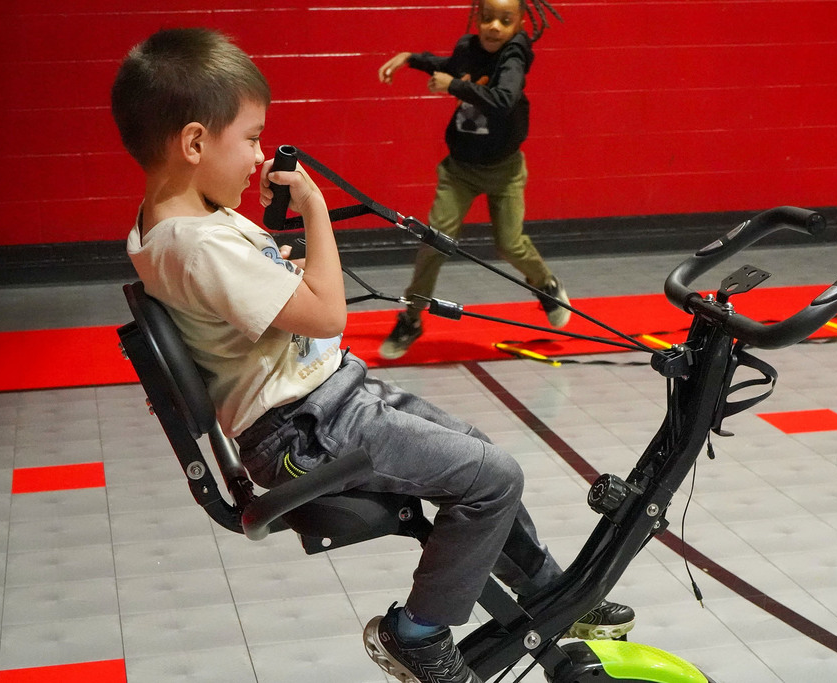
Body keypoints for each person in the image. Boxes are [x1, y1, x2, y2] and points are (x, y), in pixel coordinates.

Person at [111, 27, 633, 683]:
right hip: (306, 427)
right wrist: (315, 211)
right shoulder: (197, 241)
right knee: (495, 475)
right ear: (193, 142)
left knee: (476, 454)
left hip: (329, 400)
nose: (259, 154)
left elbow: (243, 291)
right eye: (249, 137)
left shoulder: (168, 225)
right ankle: (417, 632)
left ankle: (551, 594)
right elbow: (327, 311)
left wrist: (284, 263)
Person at [377, 0, 570, 361]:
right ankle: (411, 318)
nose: (494, 26)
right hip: (459, 171)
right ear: (476, 18)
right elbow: (447, 66)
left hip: (505, 171)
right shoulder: (468, 47)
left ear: (519, 23)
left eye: (505, 20)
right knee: (435, 240)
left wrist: (454, 87)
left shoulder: (514, 57)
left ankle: (545, 285)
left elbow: (503, 99)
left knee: (510, 245)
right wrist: (410, 58)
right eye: (487, 18)